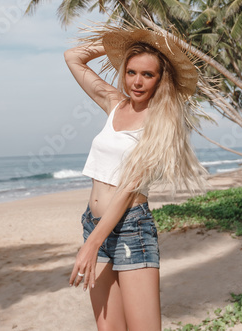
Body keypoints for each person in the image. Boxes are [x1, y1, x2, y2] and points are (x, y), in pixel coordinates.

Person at [64, 26, 208, 331]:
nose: (137, 82)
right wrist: (126, 41)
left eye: (147, 75)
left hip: (131, 229)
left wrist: (92, 244)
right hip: (93, 223)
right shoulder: (114, 103)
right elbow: (73, 57)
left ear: (160, 79)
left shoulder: (162, 121)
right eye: (131, 72)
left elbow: (129, 188)